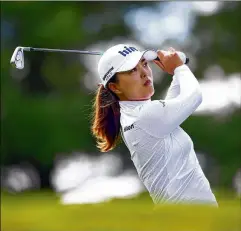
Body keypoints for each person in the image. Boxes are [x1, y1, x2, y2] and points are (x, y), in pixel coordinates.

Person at [91, 44, 218, 206]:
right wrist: (179, 67)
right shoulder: (144, 115)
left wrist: (177, 69)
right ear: (115, 87)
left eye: (144, 64)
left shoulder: (137, 114)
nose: (144, 73)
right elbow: (194, 97)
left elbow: (175, 101)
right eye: (132, 70)